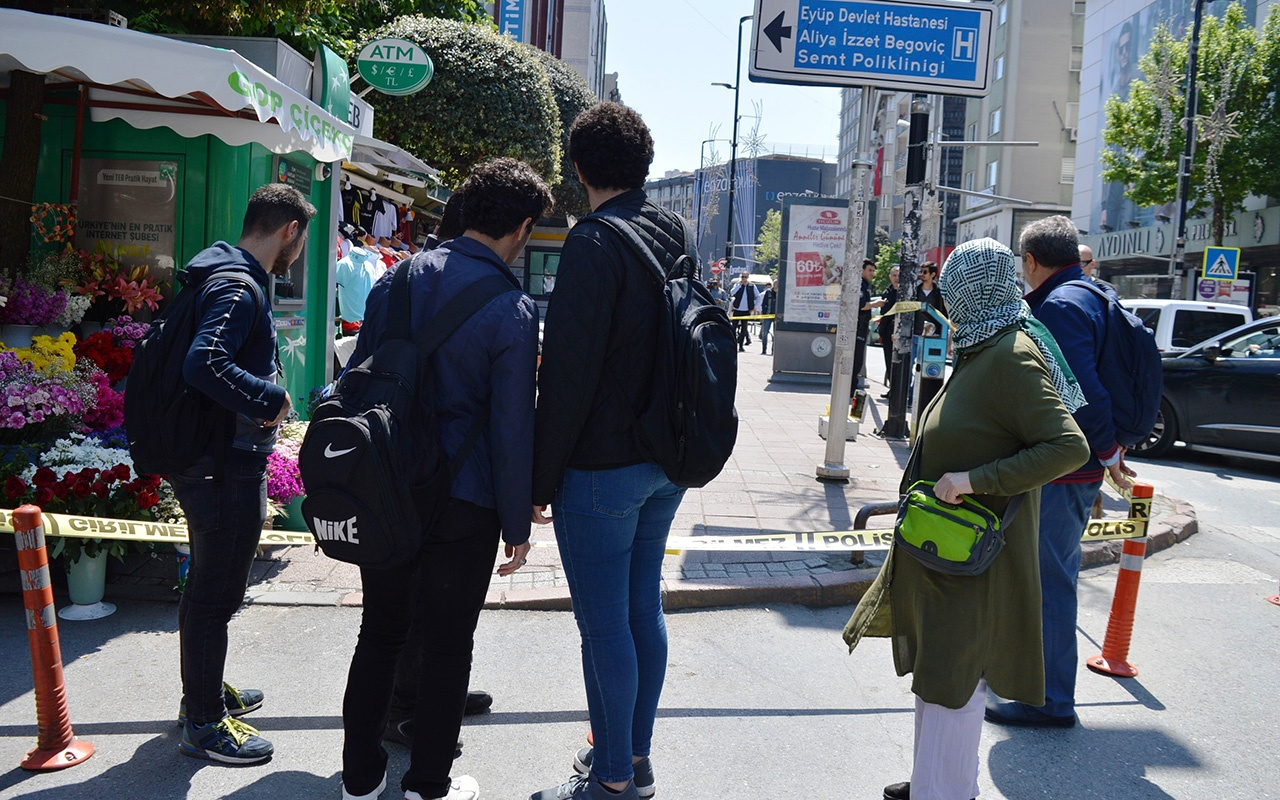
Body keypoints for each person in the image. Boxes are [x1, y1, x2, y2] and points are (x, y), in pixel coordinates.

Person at [843, 237, 1089, 800]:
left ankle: (946, 790)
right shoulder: (987, 344)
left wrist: (974, 481)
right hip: (951, 555)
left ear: (976, 294)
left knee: (956, 679)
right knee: (941, 672)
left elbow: (1067, 448)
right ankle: (937, 781)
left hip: (976, 556)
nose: (949, 308)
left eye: (954, 295)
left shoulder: (1010, 355)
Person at [339, 157, 550, 800]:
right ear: (519, 226)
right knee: (450, 641)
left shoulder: (395, 280)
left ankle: (359, 778)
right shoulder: (511, 308)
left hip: (386, 483)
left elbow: (364, 379)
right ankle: (429, 782)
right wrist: (518, 524)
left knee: (380, 631)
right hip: (466, 497)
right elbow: (512, 427)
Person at [531, 101, 689, 800]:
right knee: (640, 610)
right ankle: (637, 758)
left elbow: (567, 375)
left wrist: (539, 477)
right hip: (668, 457)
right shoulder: (673, 229)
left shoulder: (593, 242)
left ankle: (614, 779)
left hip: (601, 467)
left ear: (579, 168)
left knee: (603, 626)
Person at [173, 183, 313, 764]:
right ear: (289, 231)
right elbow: (204, 362)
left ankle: (203, 691)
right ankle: (204, 720)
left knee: (212, 585)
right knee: (216, 590)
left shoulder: (221, 273)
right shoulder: (238, 285)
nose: (298, 254)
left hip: (214, 460)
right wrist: (270, 398)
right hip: (222, 465)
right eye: (300, 242)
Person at [986, 215, 1138, 730]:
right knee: (1045, 577)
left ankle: (1050, 700)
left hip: (1063, 470)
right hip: (1077, 467)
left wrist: (1110, 452)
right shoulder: (1092, 295)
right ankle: (1031, 681)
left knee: (1048, 582)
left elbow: (1081, 392)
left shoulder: (1059, 306)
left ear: (1030, 261)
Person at [384, 183, 496, 752]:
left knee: (422, 601)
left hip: (405, 463)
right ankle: (412, 710)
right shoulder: (423, 278)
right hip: (437, 467)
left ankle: (430, 696)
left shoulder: (400, 277)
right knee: (422, 604)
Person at [852, 258, 885, 397]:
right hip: (857, 329)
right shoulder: (860, 286)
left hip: (861, 328)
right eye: (869, 270)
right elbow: (861, 305)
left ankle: (851, 389)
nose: (872, 273)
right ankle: (850, 390)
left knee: (857, 362)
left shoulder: (864, 286)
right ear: (861, 271)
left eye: (873, 270)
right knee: (856, 361)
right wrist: (875, 304)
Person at [879, 265, 900, 396]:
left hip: (898, 332)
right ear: (890, 277)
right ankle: (892, 388)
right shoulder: (887, 292)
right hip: (887, 332)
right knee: (888, 361)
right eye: (894, 275)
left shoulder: (906, 293)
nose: (897, 278)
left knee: (899, 362)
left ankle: (898, 390)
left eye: (899, 275)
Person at [730, 272, 760, 351]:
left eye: (745, 277)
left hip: (746, 310)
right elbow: (732, 292)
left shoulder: (752, 286)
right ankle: (732, 344)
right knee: (734, 327)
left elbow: (758, 296)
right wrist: (739, 285)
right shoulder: (738, 284)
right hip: (737, 309)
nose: (744, 278)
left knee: (744, 329)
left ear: (748, 277)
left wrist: (755, 307)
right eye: (742, 277)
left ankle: (741, 345)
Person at [759, 279, 777, 355]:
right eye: (775, 284)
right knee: (765, 332)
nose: (777, 285)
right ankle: (764, 349)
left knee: (776, 334)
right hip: (768, 314)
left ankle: (773, 350)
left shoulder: (782, 292)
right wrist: (764, 313)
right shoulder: (768, 292)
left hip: (777, 316)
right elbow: (764, 304)